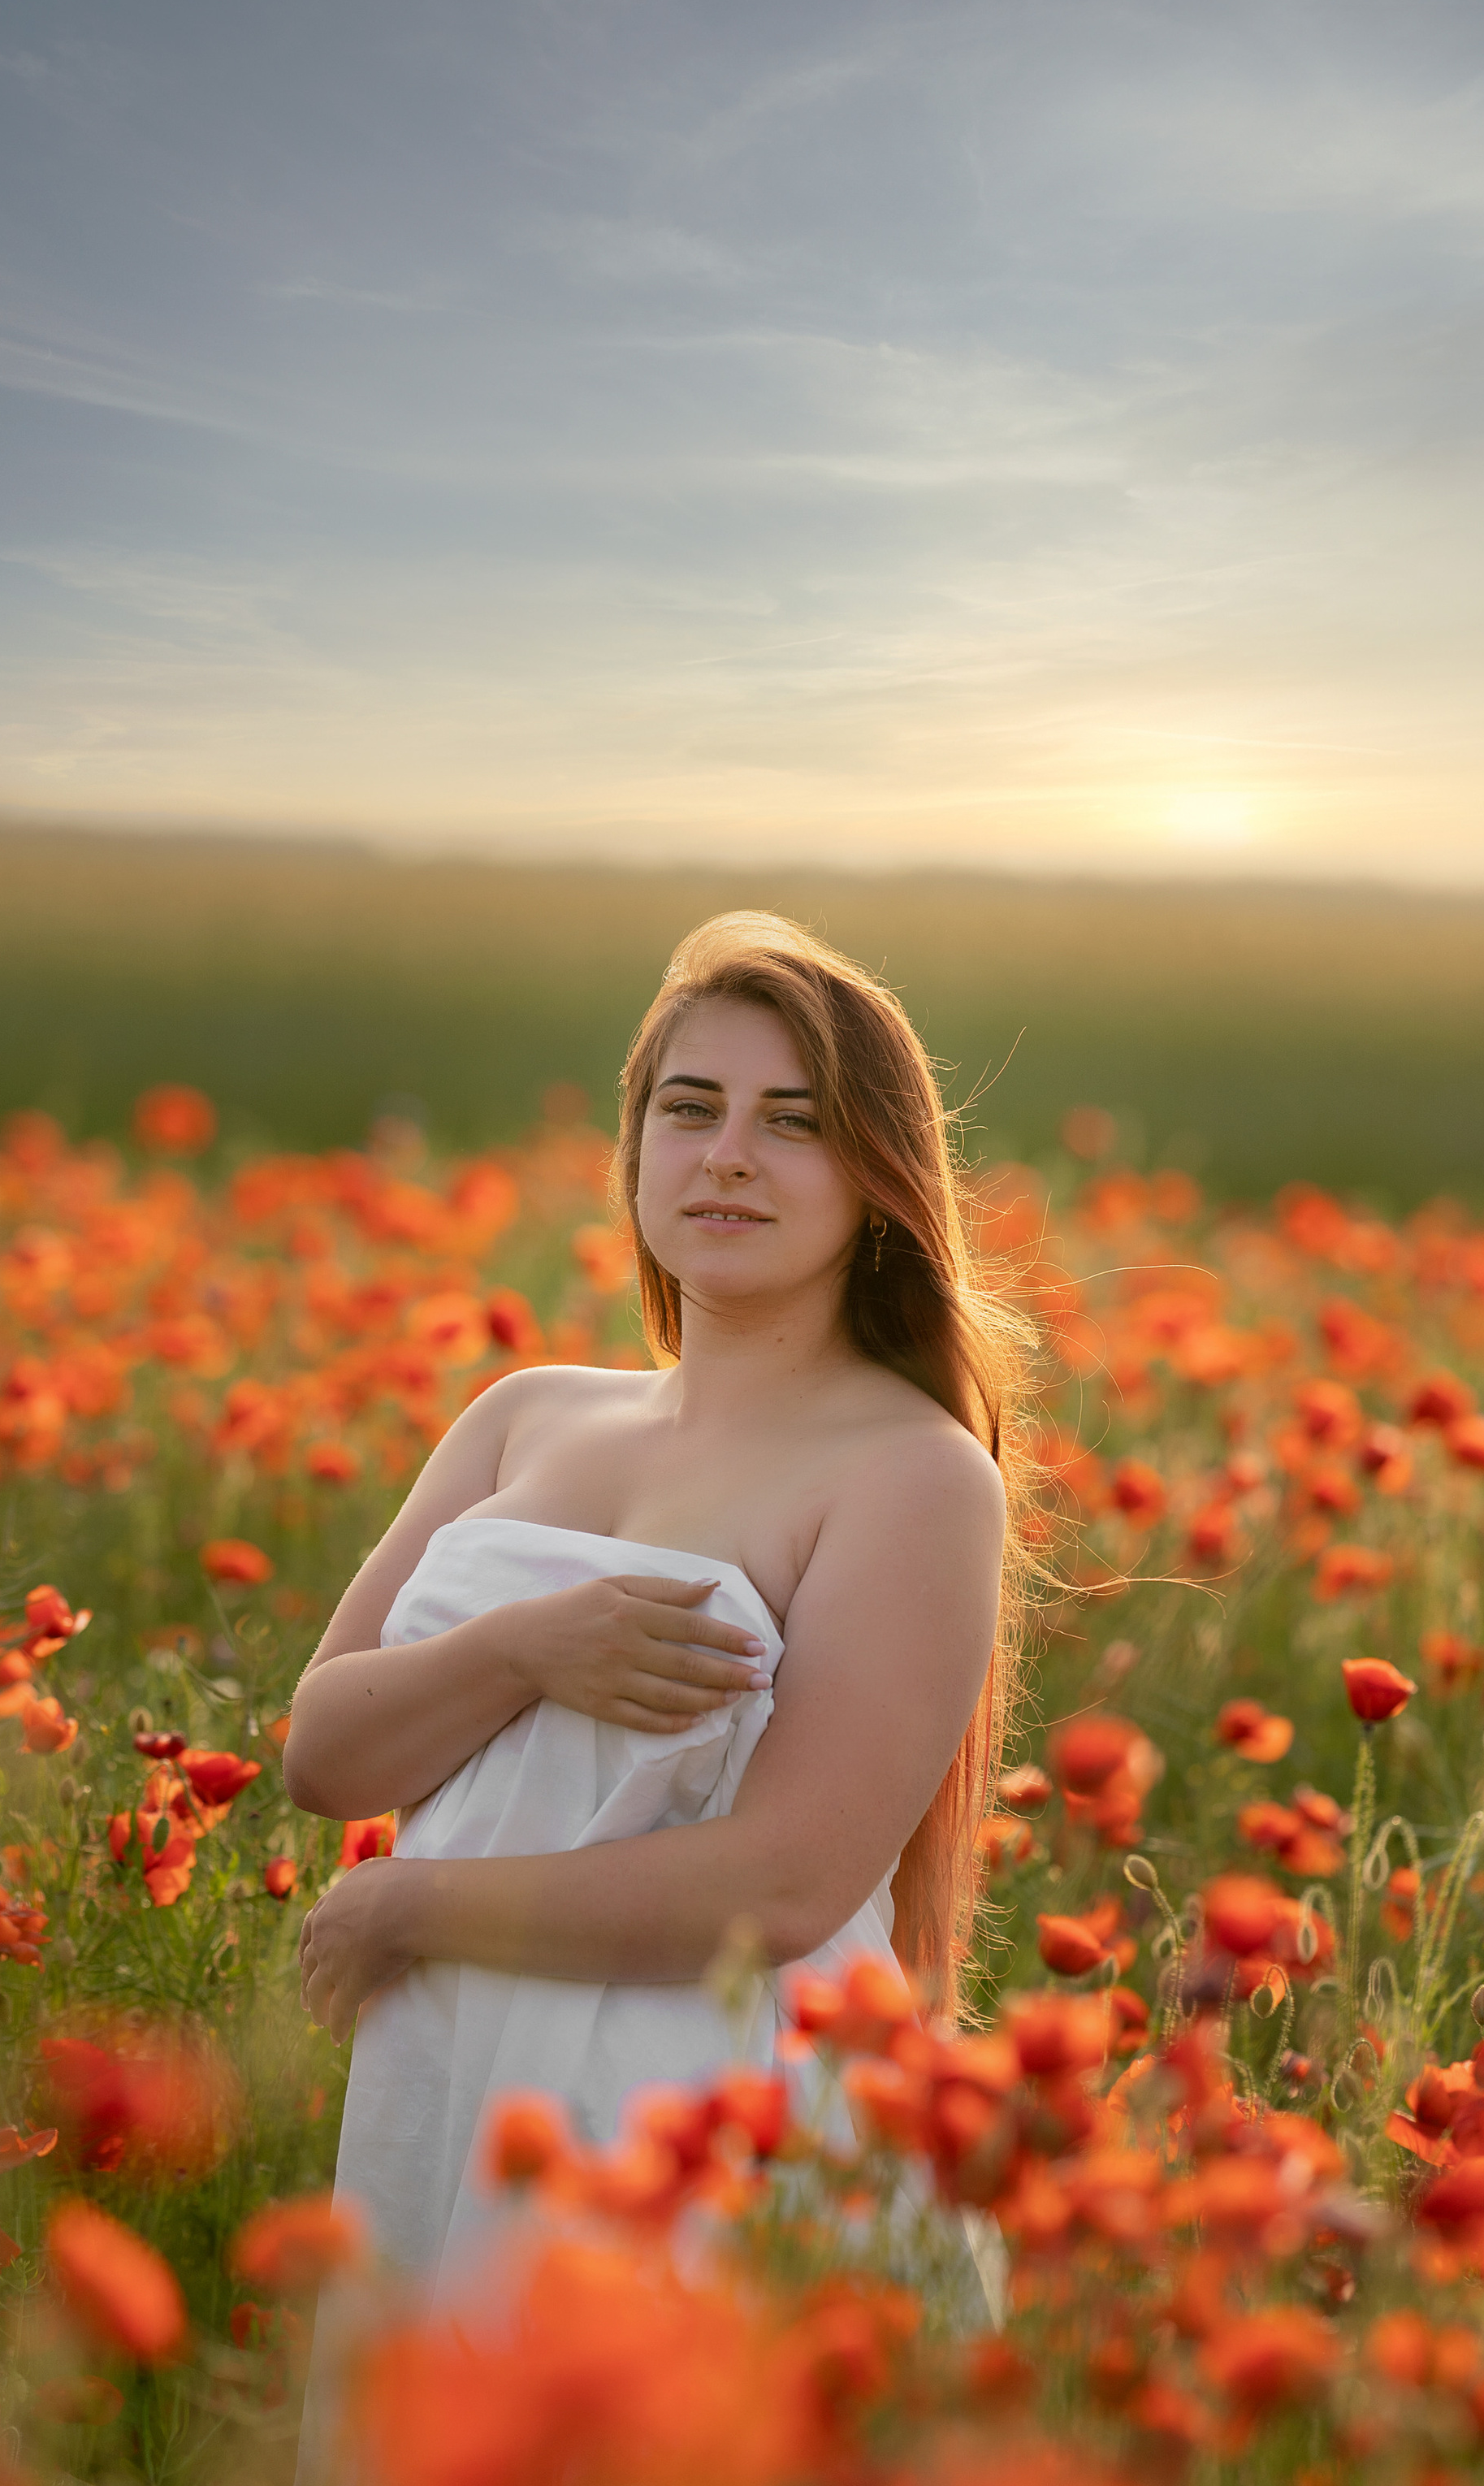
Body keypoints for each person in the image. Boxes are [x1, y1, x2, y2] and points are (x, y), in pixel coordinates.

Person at [284, 911, 1029, 2305]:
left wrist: (421, 1909)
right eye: (691, 1109)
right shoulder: (526, 1418)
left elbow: (787, 1882)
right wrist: (525, 1650)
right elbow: (327, 1754)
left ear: (878, 1180)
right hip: (457, 2066)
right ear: (635, 1151)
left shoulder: (910, 1472)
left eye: (793, 1122)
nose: (728, 1153)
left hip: (701, 2109)